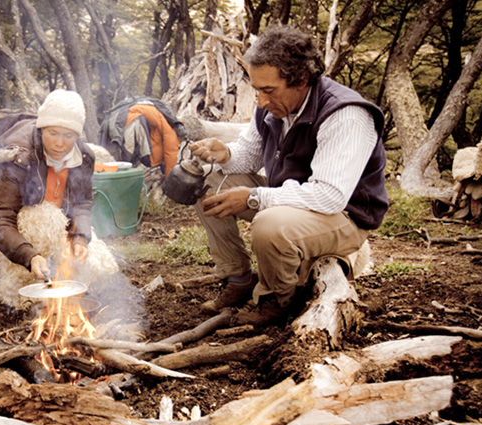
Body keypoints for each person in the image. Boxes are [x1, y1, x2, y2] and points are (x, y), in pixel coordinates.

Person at [189, 25, 389, 325]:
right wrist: (226, 155)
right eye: (257, 89)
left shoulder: (345, 114)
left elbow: (329, 196)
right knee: (206, 181)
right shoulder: (271, 107)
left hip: (345, 217)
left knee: (270, 224)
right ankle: (238, 278)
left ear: (301, 80)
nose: (261, 101)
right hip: (294, 200)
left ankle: (277, 299)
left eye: (269, 90)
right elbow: (250, 154)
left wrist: (255, 197)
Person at [0, 89, 94, 280]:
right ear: (42, 128)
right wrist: (29, 256)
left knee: (95, 260)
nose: (59, 143)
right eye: (53, 133)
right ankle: (17, 288)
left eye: (68, 136)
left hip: (44, 219)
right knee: (45, 220)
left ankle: (50, 266)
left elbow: (83, 204)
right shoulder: (18, 156)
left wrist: (80, 239)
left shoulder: (84, 157)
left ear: (77, 135)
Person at [98, 96, 187, 175]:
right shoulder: (169, 129)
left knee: (118, 154)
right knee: (124, 158)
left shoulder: (156, 112)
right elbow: (171, 150)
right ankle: (120, 176)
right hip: (130, 122)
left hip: (118, 119)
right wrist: (169, 176)